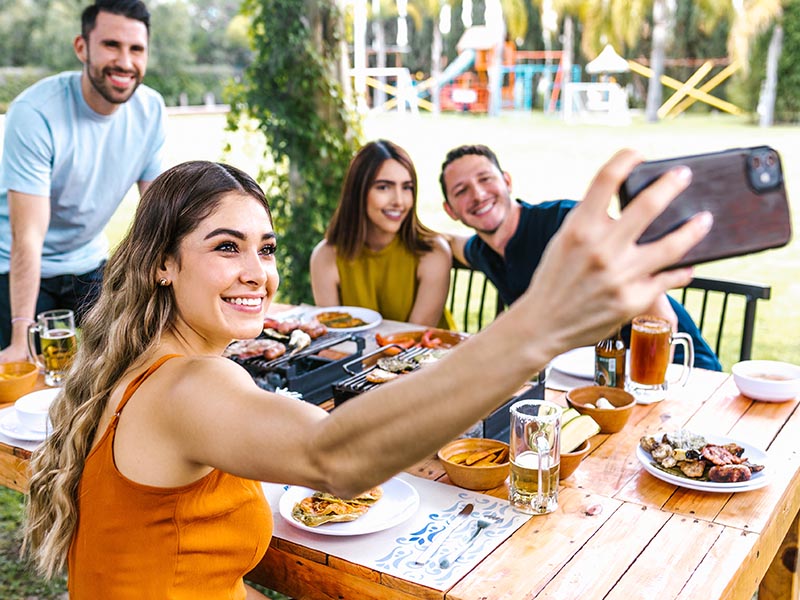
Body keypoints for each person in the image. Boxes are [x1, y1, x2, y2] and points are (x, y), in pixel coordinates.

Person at [23, 154, 711, 597]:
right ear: (161, 265)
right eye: (224, 247)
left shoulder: (146, 366)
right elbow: (337, 455)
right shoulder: (188, 389)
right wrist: (539, 326)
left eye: (263, 248)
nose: (256, 272)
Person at [439, 144, 723, 371]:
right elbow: (451, 243)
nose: (477, 194)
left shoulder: (567, 223)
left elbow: (661, 319)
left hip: (676, 370)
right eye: (461, 191)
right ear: (451, 210)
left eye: (485, 179)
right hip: (588, 381)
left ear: (507, 181)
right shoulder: (482, 251)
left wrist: (645, 389)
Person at [0, 0, 166, 361]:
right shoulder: (35, 113)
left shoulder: (151, 111)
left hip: (87, 262)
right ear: (82, 48)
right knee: (23, 377)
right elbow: (26, 237)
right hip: (13, 267)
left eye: (136, 49)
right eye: (111, 45)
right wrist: (19, 335)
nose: (125, 61)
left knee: (122, 360)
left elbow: (161, 217)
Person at [310, 139, 454, 329]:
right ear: (358, 192)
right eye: (384, 187)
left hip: (429, 356)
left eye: (406, 187)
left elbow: (415, 337)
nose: (399, 201)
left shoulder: (433, 252)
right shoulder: (326, 257)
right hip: (354, 356)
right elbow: (333, 335)